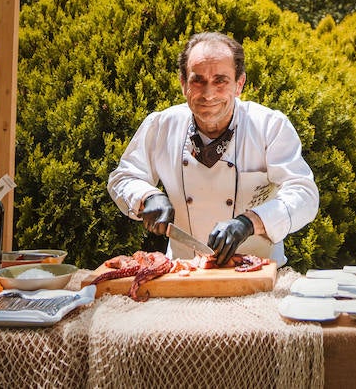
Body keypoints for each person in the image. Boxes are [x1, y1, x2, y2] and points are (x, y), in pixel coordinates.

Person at [107, 32, 318, 266]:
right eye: (198, 80)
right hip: (184, 270)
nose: (208, 94)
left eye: (220, 81)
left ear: (239, 84)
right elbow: (123, 177)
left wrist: (250, 222)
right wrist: (147, 196)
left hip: (257, 270)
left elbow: (304, 194)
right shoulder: (162, 125)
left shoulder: (270, 126)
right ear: (183, 84)